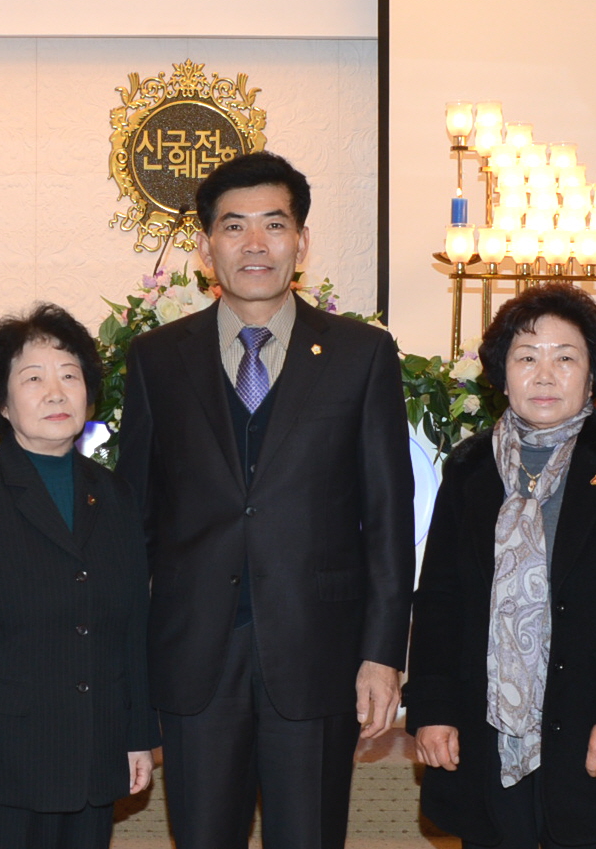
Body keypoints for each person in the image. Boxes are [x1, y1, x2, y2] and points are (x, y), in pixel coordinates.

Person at [114, 151, 415, 849]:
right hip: (192, 655)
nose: (255, 244)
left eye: (274, 225)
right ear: (205, 248)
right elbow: (135, 525)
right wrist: (127, 666)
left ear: (301, 242)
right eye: (234, 226)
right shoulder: (157, 357)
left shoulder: (361, 354)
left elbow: (387, 518)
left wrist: (382, 654)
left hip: (318, 652)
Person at [406, 283, 596, 848]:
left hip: (589, 722)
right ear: (502, 373)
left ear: (594, 373)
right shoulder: (469, 469)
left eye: (566, 359)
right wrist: (433, 708)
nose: (545, 375)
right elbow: (439, 599)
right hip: (483, 724)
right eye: (527, 358)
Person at [0, 303, 156, 849]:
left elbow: (132, 627)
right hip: (2, 763)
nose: (56, 392)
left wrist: (137, 737)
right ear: (2, 403)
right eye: (34, 378)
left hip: (95, 753)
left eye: (70, 376)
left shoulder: (115, 495)